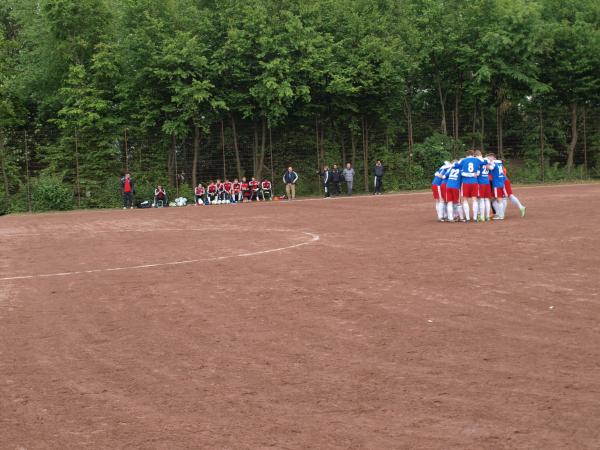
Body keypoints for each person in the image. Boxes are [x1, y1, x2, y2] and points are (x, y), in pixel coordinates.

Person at [459, 149, 486, 222]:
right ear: (473, 154)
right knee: (474, 199)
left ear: (466, 155)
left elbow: (456, 165)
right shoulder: (476, 159)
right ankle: (474, 218)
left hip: (465, 182)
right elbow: (485, 162)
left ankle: (467, 218)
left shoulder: (463, 160)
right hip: (474, 182)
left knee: (465, 200)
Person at [487, 153, 506, 220]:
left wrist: (486, 165)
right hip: (500, 183)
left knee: (499, 200)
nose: (488, 159)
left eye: (489, 158)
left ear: (492, 158)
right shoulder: (499, 163)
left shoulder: (494, 163)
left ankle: (501, 215)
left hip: (496, 184)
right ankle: (500, 214)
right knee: (498, 199)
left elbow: (491, 167)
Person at [475, 151, 492, 221]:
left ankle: (482, 216)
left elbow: (478, 173)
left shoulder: (478, 161)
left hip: (481, 182)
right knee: (487, 199)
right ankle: (487, 216)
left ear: (476, 155)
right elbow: (490, 169)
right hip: (487, 182)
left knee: (481, 199)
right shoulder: (486, 161)